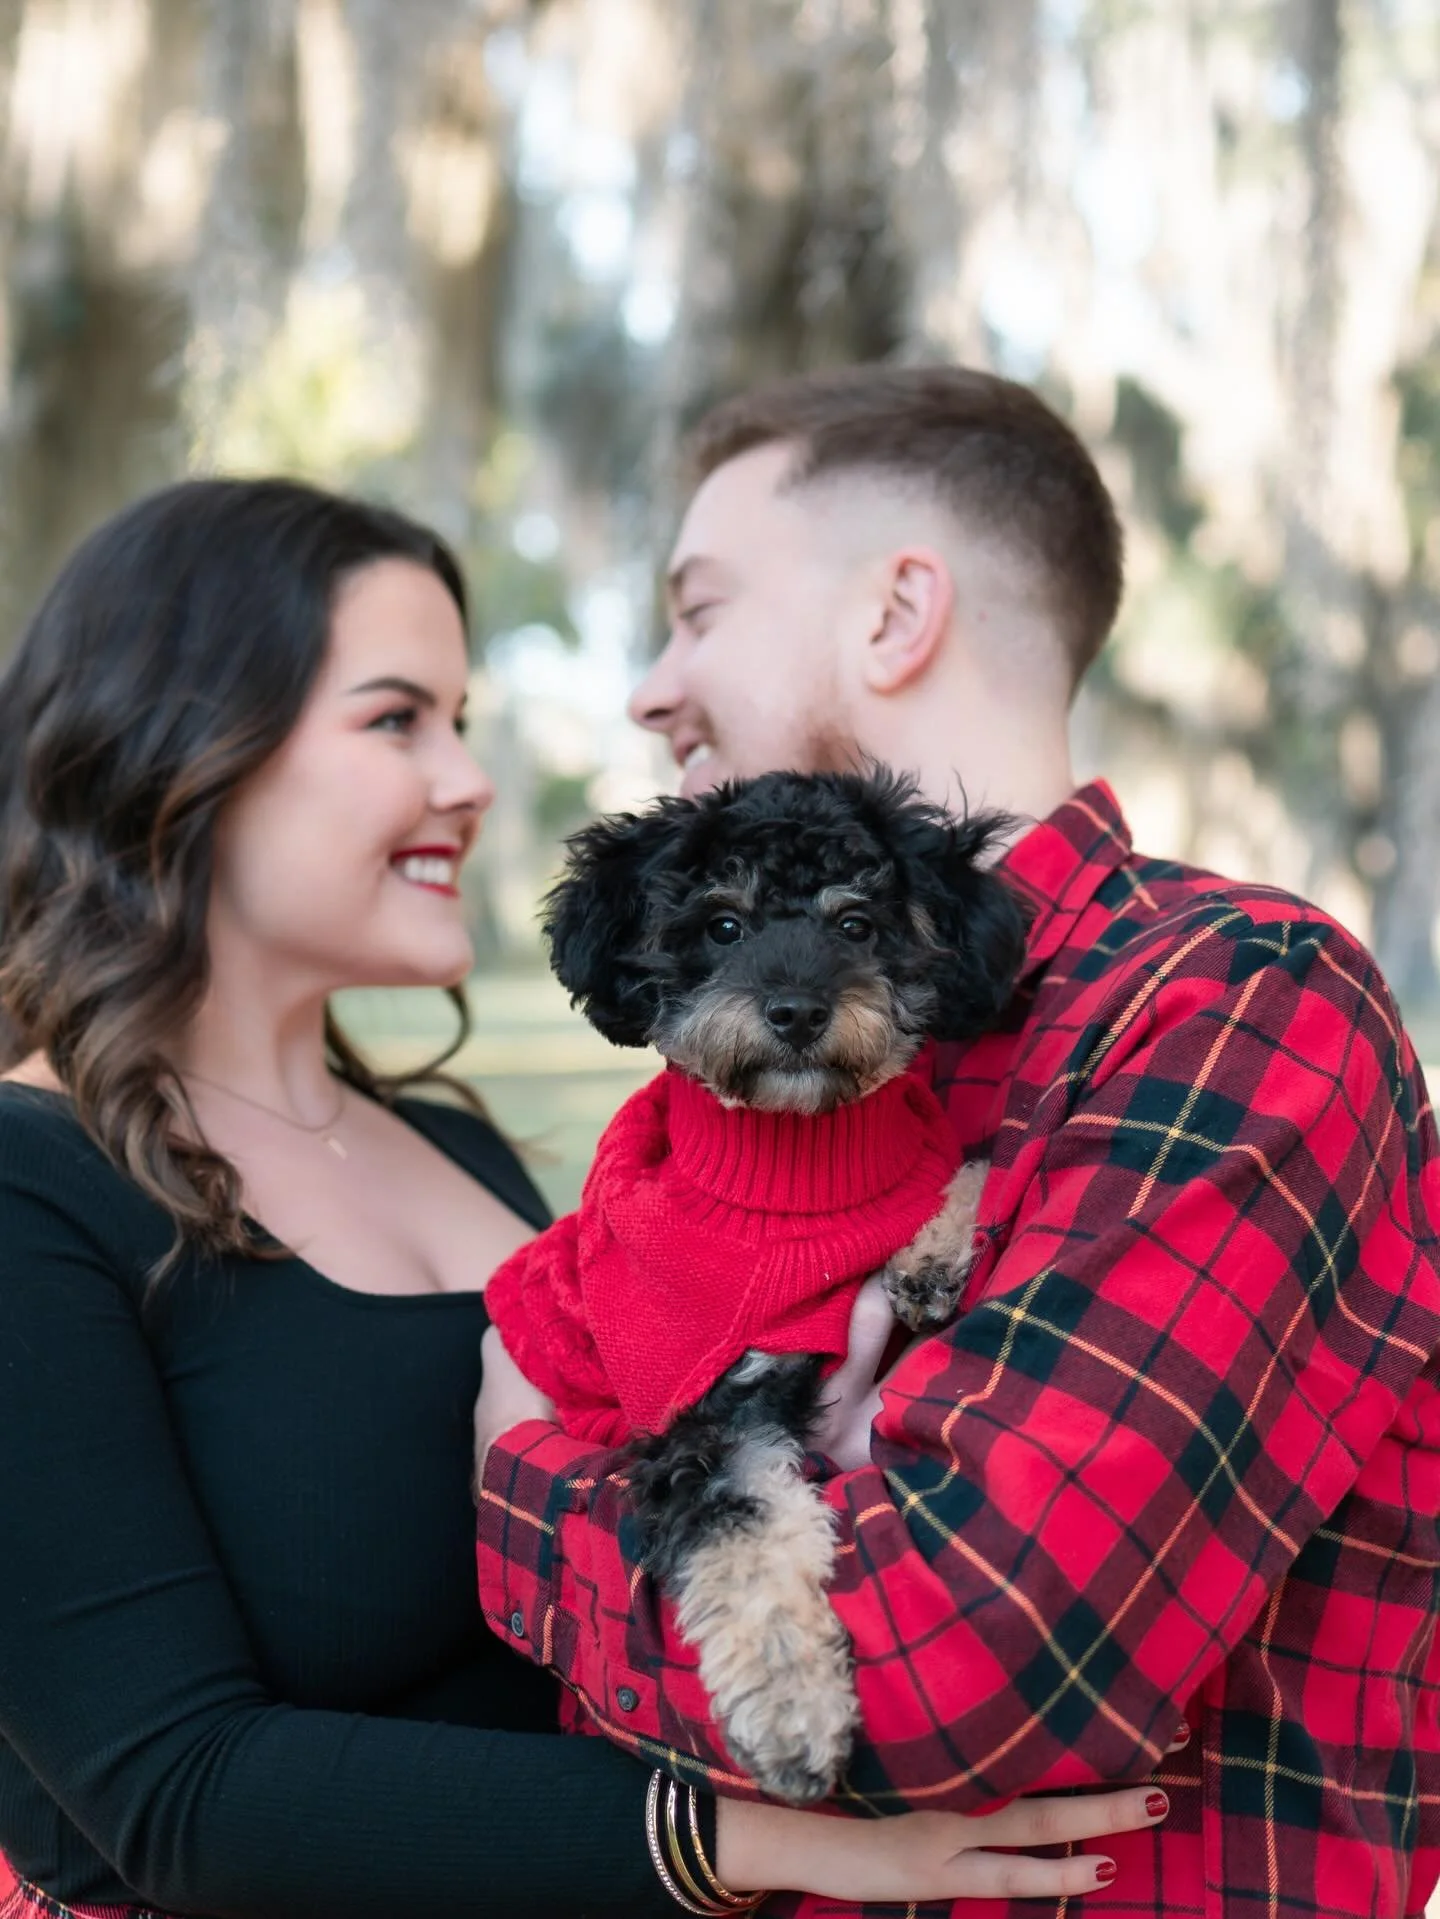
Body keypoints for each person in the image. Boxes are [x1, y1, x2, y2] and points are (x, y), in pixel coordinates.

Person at [0, 475, 1171, 1919]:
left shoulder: (461, 1144)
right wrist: (773, 1839)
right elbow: (174, 1795)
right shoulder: (28, 1183)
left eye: (464, 719)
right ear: (178, 748)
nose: (471, 779)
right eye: (395, 718)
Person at [473, 366, 1440, 1917]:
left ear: (897, 612)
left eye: (700, 610)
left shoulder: (1234, 1005)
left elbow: (959, 1656)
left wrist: (518, 1478)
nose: (653, 686)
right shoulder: (753, 1085)